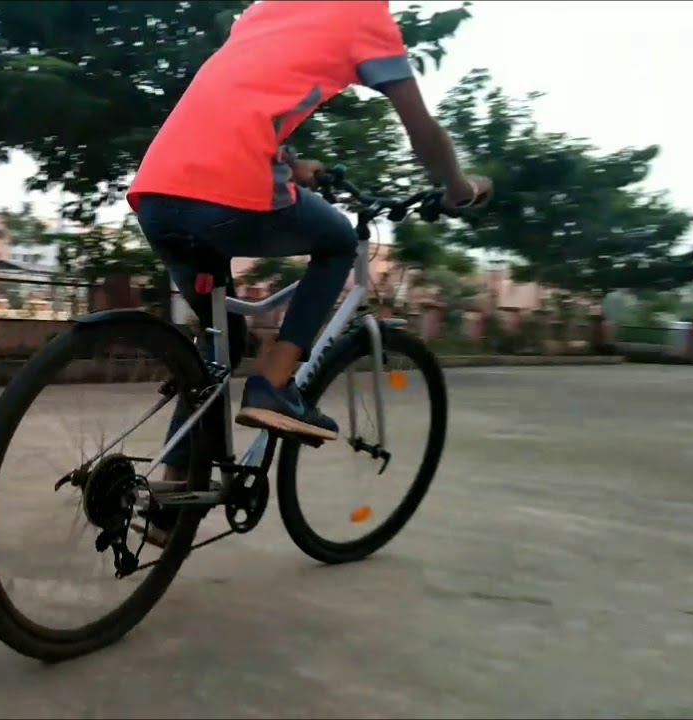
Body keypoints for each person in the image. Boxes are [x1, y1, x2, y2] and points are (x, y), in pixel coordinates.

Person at [127, 1, 492, 546]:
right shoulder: (365, 14)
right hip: (228, 188)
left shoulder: (266, 10)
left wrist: (292, 165)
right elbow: (422, 136)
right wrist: (459, 187)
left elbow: (241, 96)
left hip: (157, 193)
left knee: (221, 340)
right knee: (339, 240)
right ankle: (273, 383)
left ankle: (172, 498)